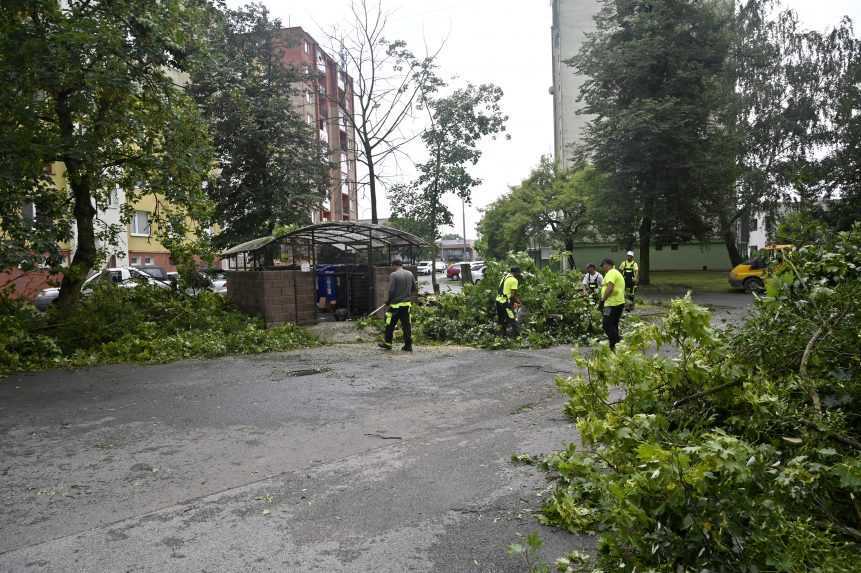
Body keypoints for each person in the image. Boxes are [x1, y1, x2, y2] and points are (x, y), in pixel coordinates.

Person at [379, 257, 417, 351]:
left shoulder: (394, 275)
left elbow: (391, 290)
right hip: (406, 305)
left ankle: (388, 343)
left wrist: (388, 301)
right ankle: (408, 346)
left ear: (394, 265)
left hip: (395, 305)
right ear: (401, 264)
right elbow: (414, 288)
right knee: (406, 325)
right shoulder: (410, 273)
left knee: (389, 323)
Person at [599, 258, 626, 351]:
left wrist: (602, 300)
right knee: (614, 324)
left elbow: (610, 287)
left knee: (606, 325)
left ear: (607, 264)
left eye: (603, 266)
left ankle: (617, 341)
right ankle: (614, 346)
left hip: (611, 304)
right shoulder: (616, 273)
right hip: (618, 303)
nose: (602, 268)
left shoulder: (611, 272)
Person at [495, 266, 523, 336]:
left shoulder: (505, 277)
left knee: (501, 320)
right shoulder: (514, 280)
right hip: (505, 303)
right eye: (518, 273)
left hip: (498, 301)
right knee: (512, 319)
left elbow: (505, 290)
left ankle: (501, 336)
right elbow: (512, 295)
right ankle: (517, 337)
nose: (519, 275)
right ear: (516, 273)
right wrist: (519, 302)